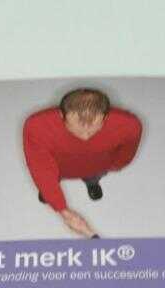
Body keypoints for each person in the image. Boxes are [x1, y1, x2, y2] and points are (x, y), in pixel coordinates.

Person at [23, 88, 142, 237]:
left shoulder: (130, 125)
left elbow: (129, 147)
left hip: (96, 166)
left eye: (92, 130)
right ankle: (49, 191)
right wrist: (61, 208)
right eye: (77, 130)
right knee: (49, 181)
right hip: (59, 167)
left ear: (105, 117)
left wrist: (117, 164)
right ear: (61, 115)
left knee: (93, 176)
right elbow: (42, 168)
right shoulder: (37, 127)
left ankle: (91, 183)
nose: (85, 137)